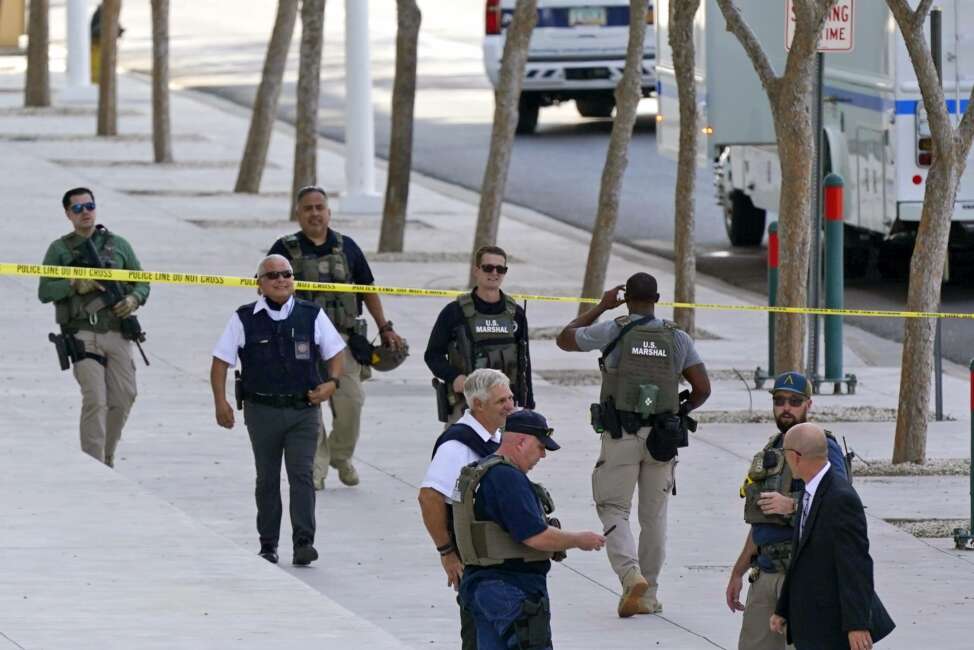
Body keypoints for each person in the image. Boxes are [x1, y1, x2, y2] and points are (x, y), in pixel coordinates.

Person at [556, 272, 710, 617]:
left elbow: (564, 339)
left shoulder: (614, 328)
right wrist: (679, 411)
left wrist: (600, 306)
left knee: (613, 507)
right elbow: (703, 388)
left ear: (627, 299)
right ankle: (649, 594)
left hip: (620, 435)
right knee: (654, 518)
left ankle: (630, 575)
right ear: (657, 299)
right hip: (662, 440)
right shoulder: (677, 337)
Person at [210, 254, 345, 566]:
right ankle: (268, 544)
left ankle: (303, 543)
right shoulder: (244, 319)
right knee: (267, 478)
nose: (281, 279)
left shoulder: (311, 315)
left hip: (303, 410)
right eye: (272, 275)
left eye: (286, 274)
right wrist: (220, 402)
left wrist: (332, 382)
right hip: (262, 411)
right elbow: (220, 362)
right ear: (260, 285)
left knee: (301, 475)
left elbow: (336, 351)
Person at [268, 186, 404, 490]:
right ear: (298, 214)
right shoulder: (284, 250)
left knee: (351, 402)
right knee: (308, 405)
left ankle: (340, 456)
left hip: (343, 341)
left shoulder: (348, 248)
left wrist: (385, 327)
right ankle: (316, 468)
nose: (315, 213)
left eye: (320, 207)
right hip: (299, 341)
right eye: (308, 208)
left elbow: (367, 289)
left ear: (328, 212)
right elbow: (267, 288)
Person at [455, 410, 605, 650]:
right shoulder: (507, 478)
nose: (543, 455)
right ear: (522, 441)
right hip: (511, 589)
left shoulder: (482, 471)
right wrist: (579, 540)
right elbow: (535, 535)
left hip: (481, 587)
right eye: (540, 447)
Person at [725, 371, 850, 650]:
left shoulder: (821, 446)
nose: (786, 407)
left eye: (795, 401)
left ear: (808, 404)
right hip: (765, 574)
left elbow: (839, 506)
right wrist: (737, 572)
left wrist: (791, 505)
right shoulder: (771, 449)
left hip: (804, 576)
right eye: (780, 400)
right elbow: (760, 521)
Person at [38, 187, 149, 467]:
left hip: (117, 331)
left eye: (89, 206)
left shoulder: (119, 245)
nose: (85, 212)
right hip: (82, 333)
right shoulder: (60, 250)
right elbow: (45, 290)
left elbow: (142, 281)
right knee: (95, 399)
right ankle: (93, 464)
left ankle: (107, 456)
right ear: (68, 214)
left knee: (124, 396)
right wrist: (74, 283)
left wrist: (134, 299)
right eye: (77, 209)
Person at [771, 424, 895, 650]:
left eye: (785, 454)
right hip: (810, 623)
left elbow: (856, 564)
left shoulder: (840, 498)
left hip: (832, 626)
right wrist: (783, 609)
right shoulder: (811, 491)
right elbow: (800, 556)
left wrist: (857, 624)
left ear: (796, 457)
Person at [419, 368, 516, 649]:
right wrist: (447, 553)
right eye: (501, 401)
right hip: (473, 559)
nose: (510, 406)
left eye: (510, 397)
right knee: (477, 635)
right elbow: (429, 498)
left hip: (497, 557)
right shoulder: (456, 446)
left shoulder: (495, 437)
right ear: (477, 405)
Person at [425, 245, 534, 425]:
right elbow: (432, 355)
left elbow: (524, 362)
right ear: (477, 271)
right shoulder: (454, 312)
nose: (494, 273)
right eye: (488, 267)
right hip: (466, 406)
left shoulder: (516, 314)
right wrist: (454, 377)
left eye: (501, 269)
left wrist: (527, 404)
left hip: (506, 407)